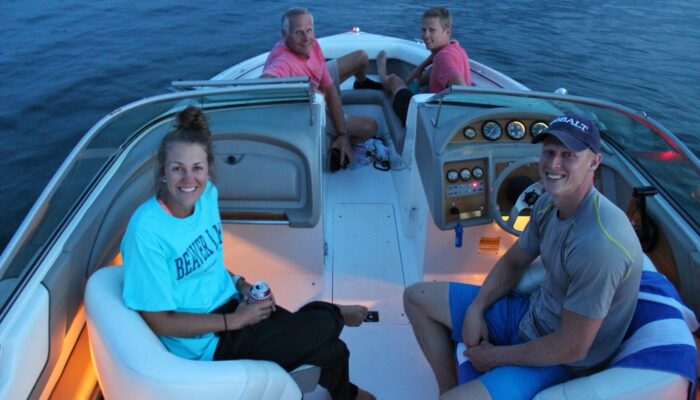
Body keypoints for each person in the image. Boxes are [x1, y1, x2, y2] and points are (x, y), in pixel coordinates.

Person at [121, 106, 376, 400]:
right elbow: (160, 321)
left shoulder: (206, 197)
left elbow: (208, 264)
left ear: (209, 169)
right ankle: (334, 312)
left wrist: (241, 285)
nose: (189, 179)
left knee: (335, 349)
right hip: (207, 341)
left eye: (197, 168)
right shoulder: (146, 232)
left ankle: (346, 394)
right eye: (178, 168)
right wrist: (234, 322)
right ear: (163, 172)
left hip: (233, 304)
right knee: (323, 326)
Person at [403, 114, 643, 400]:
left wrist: (493, 357)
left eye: (568, 155)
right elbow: (514, 261)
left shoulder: (599, 245)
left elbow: (573, 346)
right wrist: (476, 309)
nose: (553, 164)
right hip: (532, 315)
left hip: (563, 361)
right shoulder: (547, 203)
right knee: (416, 297)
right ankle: (449, 388)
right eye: (549, 152)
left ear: (594, 162)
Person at [261, 7, 380, 167]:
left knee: (361, 57)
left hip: (317, 88)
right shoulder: (284, 61)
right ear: (284, 35)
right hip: (307, 108)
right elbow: (264, 83)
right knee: (370, 127)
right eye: (298, 32)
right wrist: (300, 89)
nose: (306, 38)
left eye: (309, 30)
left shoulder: (312, 44)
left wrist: (342, 133)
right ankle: (333, 145)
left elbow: (329, 88)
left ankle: (361, 83)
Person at [377, 7, 471, 124]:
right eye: (423, 30)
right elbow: (440, 52)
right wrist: (420, 68)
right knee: (424, 76)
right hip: (438, 116)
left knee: (394, 80)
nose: (426, 35)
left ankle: (382, 75)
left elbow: (461, 90)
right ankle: (409, 82)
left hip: (425, 118)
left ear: (447, 31)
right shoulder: (455, 47)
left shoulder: (443, 57)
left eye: (432, 30)